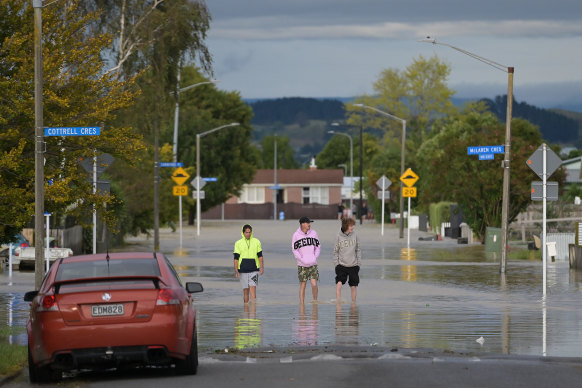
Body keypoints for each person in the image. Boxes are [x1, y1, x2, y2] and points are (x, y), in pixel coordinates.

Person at [292, 216, 320, 304]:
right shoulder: (296, 235)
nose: (309, 224)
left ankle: (315, 302)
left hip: (313, 264)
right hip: (302, 265)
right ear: (302, 224)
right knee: (303, 285)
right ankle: (302, 304)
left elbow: (318, 247)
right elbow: (294, 249)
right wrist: (301, 259)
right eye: (307, 223)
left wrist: (315, 257)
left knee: (314, 284)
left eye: (309, 223)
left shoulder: (314, 233)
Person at [233, 224, 264, 303]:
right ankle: (246, 311)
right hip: (242, 270)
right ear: (243, 233)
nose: (248, 234)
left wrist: (261, 267)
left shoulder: (256, 241)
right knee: (246, 291)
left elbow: (260, 256)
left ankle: (253, 314)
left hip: (254, 269)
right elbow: (236, 258)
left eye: (249, 232)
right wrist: (236, 270)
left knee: (253, 290)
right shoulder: (238, 243)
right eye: (246, 232)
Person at [334, 217, 361, 303]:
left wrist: (358, 264)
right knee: (339, 283)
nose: (352, 227)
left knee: (353, 286)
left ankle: (353, 304)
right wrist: (336, 265)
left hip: (353, 265)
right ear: (346, 226)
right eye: (351, 225)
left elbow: (358, 250)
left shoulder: (355, 235)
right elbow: (335, 252)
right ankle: (338, 303)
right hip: (341, 265)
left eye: (353, 225)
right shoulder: (338, 236)